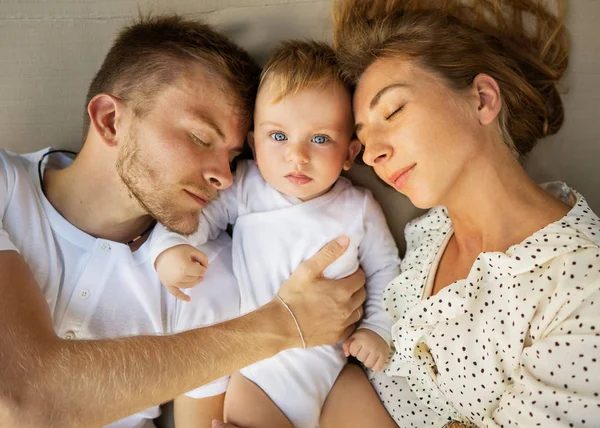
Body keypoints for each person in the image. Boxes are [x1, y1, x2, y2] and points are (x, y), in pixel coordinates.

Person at [0, 15, 367, 428]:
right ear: (110, 120)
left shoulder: (206, 275)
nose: (225, 177)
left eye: (231, 157)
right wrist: (282, 323)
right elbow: (21, 399)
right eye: (199, 137)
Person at [322, 0, 599, 427]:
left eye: (392, 111)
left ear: (483, 99)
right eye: (363, 141)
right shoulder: (427, 235)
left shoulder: (582, 286)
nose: (374, 154)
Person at [149, 40, 401, 428]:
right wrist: (170, 250)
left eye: (319, 139)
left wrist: (377, 329)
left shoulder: (360, 208)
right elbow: (195, 221)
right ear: (253, 144)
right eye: (278, 137)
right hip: (259, 373)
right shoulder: (246, 188)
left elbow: (387, 272)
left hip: (335, 370)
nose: (297, 156)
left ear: (350, 153)